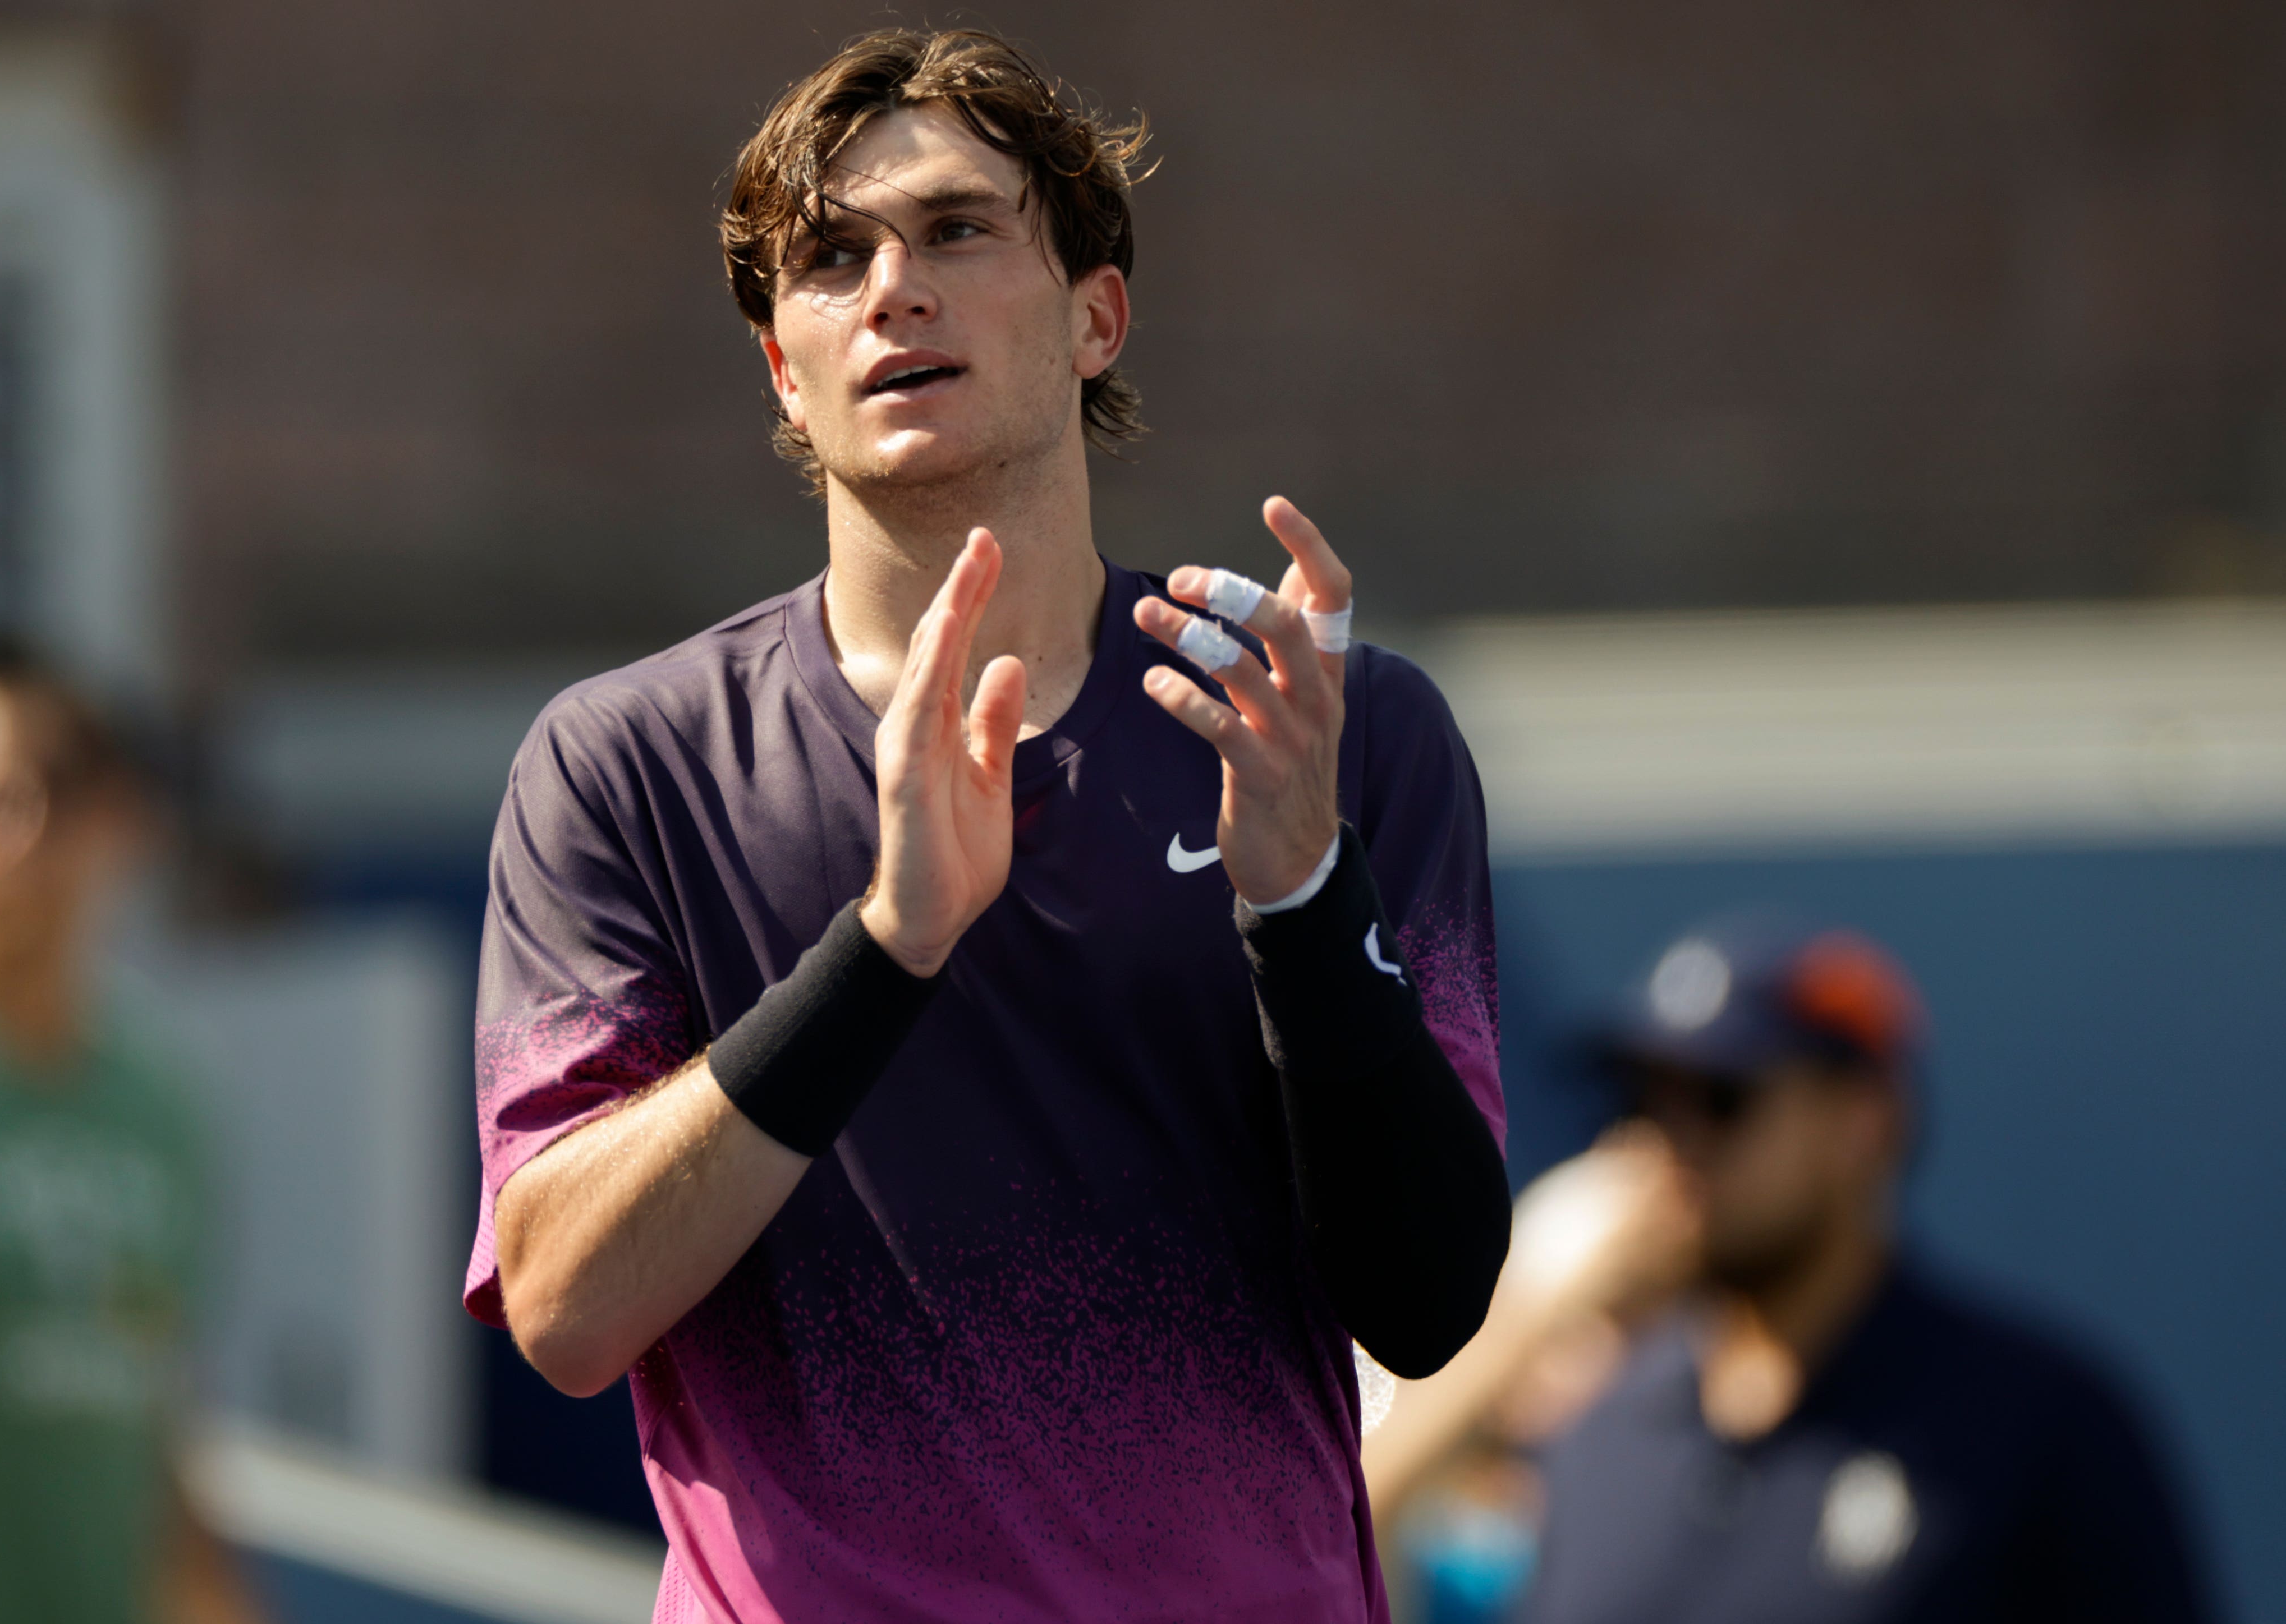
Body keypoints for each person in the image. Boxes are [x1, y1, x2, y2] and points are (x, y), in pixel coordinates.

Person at [466, 27, 1512, 1623]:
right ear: (782, 371)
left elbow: (1429, 1305)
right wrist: (888, 950)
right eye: (829, 258)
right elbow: (563, 1308)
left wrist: (1302, 893)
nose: (892, 286)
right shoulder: (626, 763)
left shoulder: (1334, 737)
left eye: (956, 228)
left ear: (1097, 316)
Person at [1367, 918, 2215, 1624]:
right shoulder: (1598, 1430)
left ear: (1864, 1122)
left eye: (1724, 1100)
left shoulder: (2040, 1428)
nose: (1677, 1144)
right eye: (1646, 1104)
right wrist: (1525, 1313)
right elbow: (1342, 1538)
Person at [0, 642, 265, 1624]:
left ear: (124, 824)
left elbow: (150, 1431)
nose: (15, 840)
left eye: (52, 796)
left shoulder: (158, 1103)